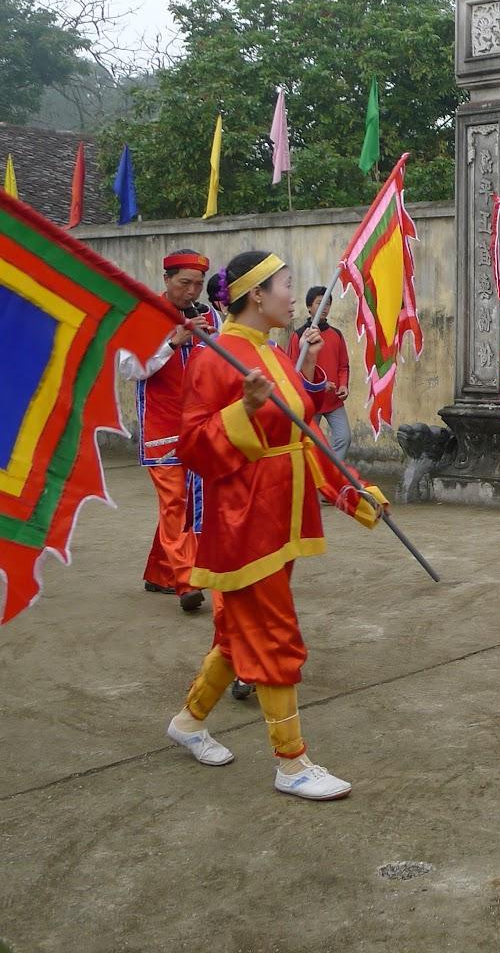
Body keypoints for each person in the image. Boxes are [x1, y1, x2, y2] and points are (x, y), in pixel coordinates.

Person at [165, 250, 389, 801]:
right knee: (274, 634)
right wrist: (240, 411)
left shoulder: (275, 355)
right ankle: (291, 763)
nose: (294, 295)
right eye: (286, 285)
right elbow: (192, 448)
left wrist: (348, 490)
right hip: (245, 522)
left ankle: (189, 722)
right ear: (256, 296)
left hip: (281, 515)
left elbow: (304, 435)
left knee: (237, 632)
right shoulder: (216, 358)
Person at [118, 248, 218, 613]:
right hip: (162, 429)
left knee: (189, 507)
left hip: (200, 427)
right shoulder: (144, 315)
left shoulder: (209, 317)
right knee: (174, 503)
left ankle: (160, 572)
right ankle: (186, 582)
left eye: (198, 284)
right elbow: (130, 369)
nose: (192, 292)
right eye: (184, 283)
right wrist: (173, 342)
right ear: (166, 280)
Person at [289, 286, 352, 466]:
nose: (324, 307)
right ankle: (314, 479)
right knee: (308, 444)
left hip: (333, 401)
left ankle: (331, 474)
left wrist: (343, 385)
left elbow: (343, 366)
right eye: (320, 303)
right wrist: (317, 385)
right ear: (309, 307)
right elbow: (292, 369)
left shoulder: (336, 335)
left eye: (328, 303)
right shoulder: (299, 336)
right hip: (310, 402)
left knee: (344, 438)